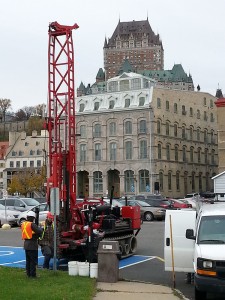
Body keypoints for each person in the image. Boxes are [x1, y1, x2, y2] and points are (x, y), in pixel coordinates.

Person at [21, 211, 43, 278]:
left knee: (28, 260)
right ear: (33, 218)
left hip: (26, 244)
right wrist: (41, 228)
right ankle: (33, 275)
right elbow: (39, 231)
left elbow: (30, 231)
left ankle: (28, 273)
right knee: (33, 260)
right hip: (32, 244)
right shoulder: (32, 224)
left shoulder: (23, 224)